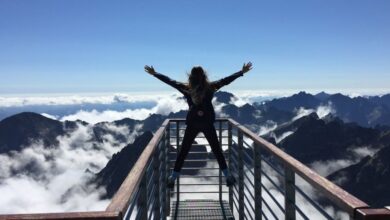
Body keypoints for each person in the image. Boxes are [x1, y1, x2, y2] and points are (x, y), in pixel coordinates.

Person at [144, 62, 253, 188]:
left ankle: (172, 178)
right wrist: (241, 72)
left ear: (191, 77)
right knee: (217, 150)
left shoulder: (187, 88)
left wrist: (155, 73)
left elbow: (170, 81)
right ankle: (228, 176)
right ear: (204, 76)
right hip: (207, 123)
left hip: (192, 123)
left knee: (183, 151)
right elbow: (226, 80)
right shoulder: (211, 87)